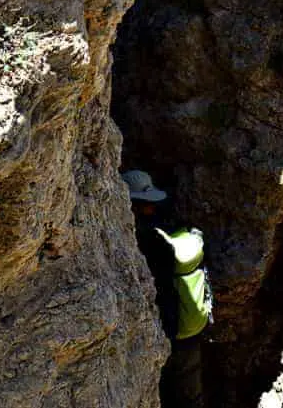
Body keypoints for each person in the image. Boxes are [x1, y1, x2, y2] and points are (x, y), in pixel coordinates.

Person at [122, 170, 211, 408]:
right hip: (192, 327)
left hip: (169, 331)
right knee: (190, 392)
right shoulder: (171, 227)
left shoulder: (148, 240)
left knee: (166, 391)